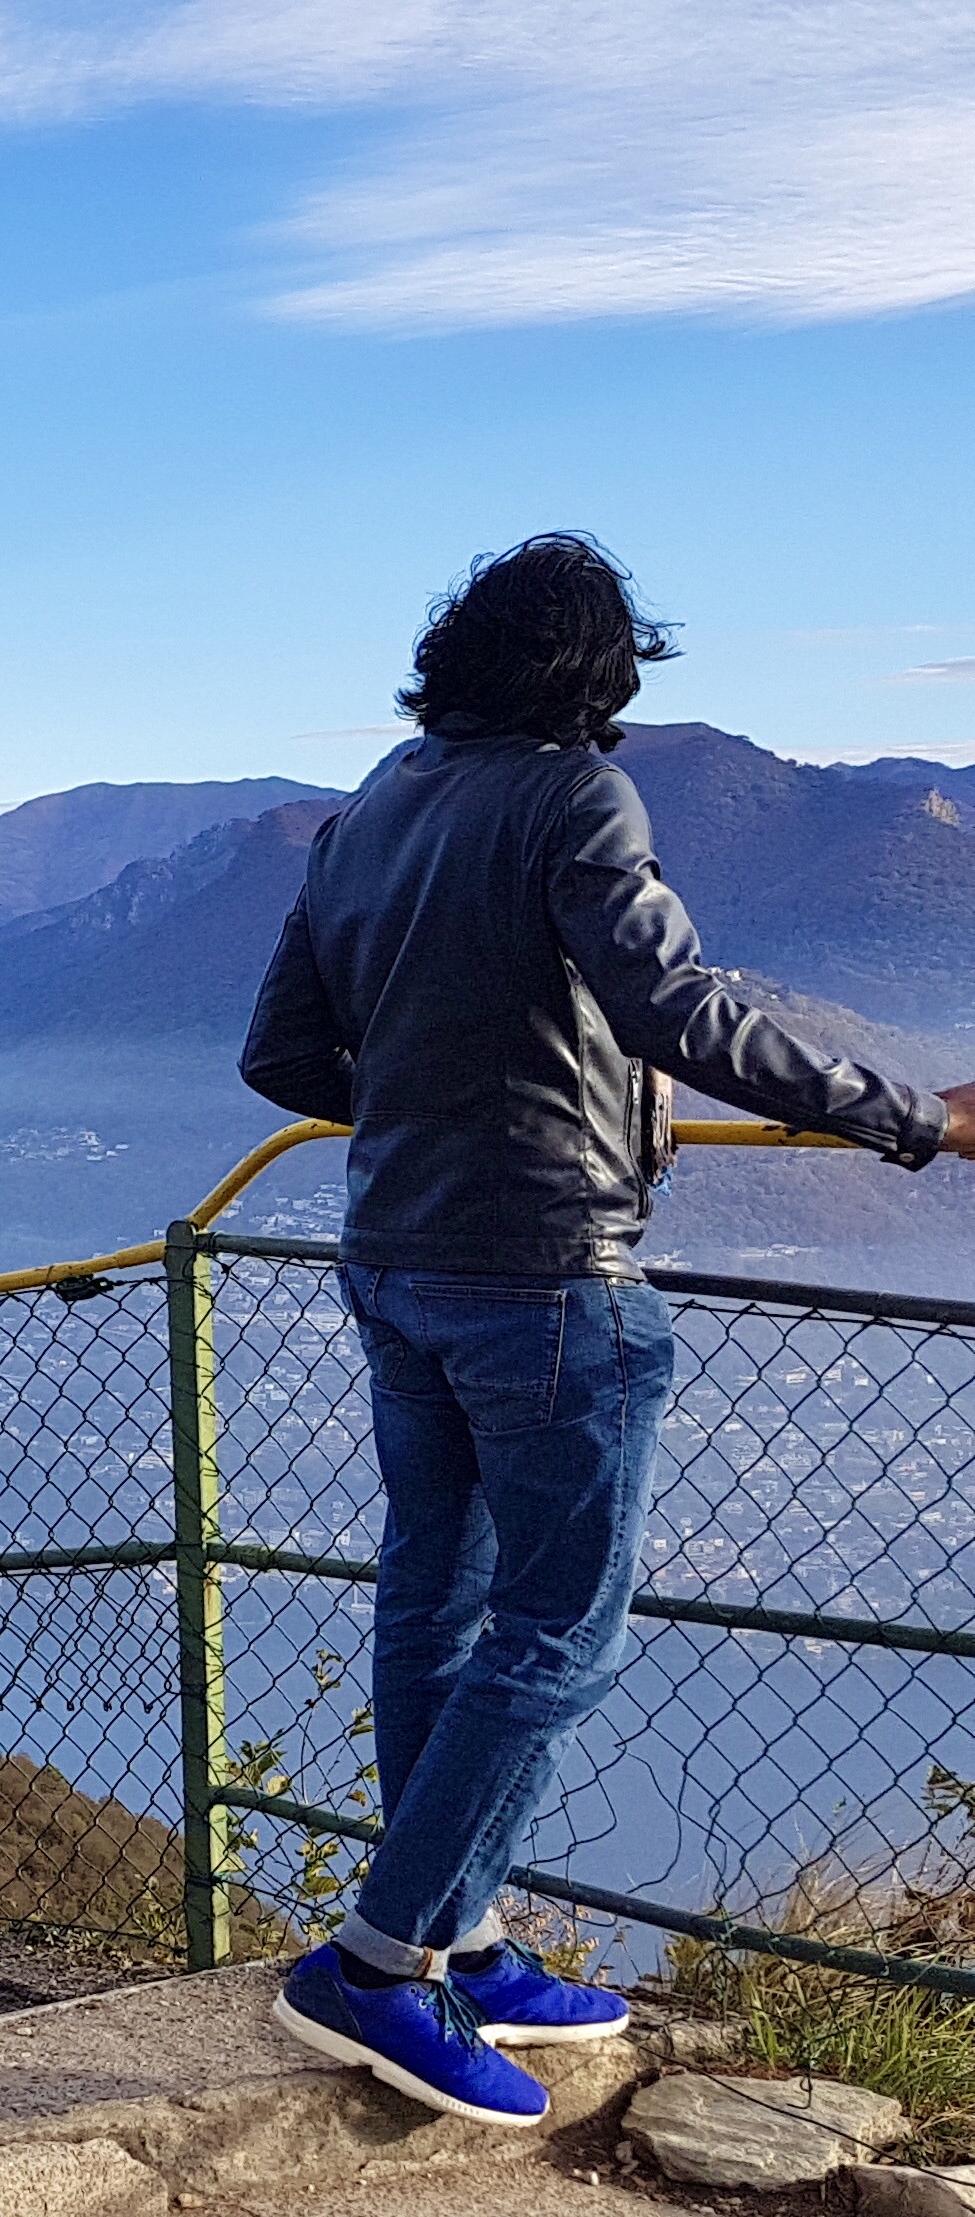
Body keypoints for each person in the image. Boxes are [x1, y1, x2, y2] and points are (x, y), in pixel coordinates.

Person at [237, 533, 975, 2125]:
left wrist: (431, 1107)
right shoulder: (576, 797)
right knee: (556, 1636)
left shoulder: (368, 811)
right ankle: (377, 1966)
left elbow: (281, 1057)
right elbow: (672, 1009)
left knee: (433, 1603)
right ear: (598, 672)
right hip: (548, 1274)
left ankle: (461, 1935)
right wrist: (920, 1117)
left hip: (393, 1259)